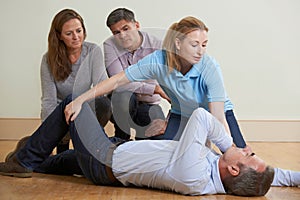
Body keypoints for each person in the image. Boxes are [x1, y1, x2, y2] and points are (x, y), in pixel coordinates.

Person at [0, 96, 298, 195]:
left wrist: (229, 145)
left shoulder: (193, 175)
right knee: (62, 162)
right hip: (116, 154)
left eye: (248, 156)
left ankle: (23, 160)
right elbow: (273, 176)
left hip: (106, 161)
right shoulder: (232, 176)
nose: (247, 149)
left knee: (74, 104)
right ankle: (36, 156)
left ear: (234, 168)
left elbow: (202, 117)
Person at [66, 16, 245, 147]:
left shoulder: (209, 66)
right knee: (165, 150)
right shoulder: (158, 61)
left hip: (216, 113)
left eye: (204, 44)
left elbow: (217, 116)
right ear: (178, 43)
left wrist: (230, 150)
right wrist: (80, 100)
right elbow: (117, 80)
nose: (200, 51)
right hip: (181, 114)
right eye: (194, 44)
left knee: (241, 157)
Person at [40, 9, 111, 153]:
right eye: (69, 33)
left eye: (79, 31)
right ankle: (62, 144)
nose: (76, 37)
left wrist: (80, 103)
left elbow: (102, 85)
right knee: (61, 156)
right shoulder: (48, 59)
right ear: (59, 36)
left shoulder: (92, 50)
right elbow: (49, 100)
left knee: (103, 104)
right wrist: (49, 130)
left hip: (85, 107)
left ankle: (87, 144)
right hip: (61, 113)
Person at [103, 8, 166, 140]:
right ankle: (121, 140)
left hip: (148, 102)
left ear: (136, 25)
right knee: (124, 98)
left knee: (157, 135)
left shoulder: (157, 46)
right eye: (116, 32)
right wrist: (154, 89)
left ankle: (140, 146)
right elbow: (119, 82)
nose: (122, 35)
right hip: (121, 101)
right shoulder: (109, 45)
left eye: (126, 28)